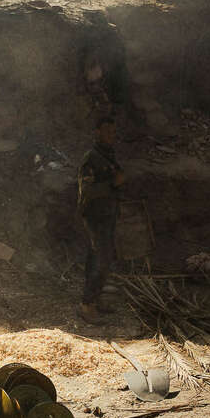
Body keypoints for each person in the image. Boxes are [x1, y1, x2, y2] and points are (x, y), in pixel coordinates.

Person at [77, 116, 125, 322]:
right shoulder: (92, 157)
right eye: (106, 132)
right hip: (95, 216)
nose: (110, 136)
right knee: (101, 261)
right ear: (97, 132)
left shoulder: (108, 155)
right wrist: (114, 184)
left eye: (113, 132)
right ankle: (87, 305)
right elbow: (87, 190)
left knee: (98, 258)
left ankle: (93, 300)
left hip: (106, 214)